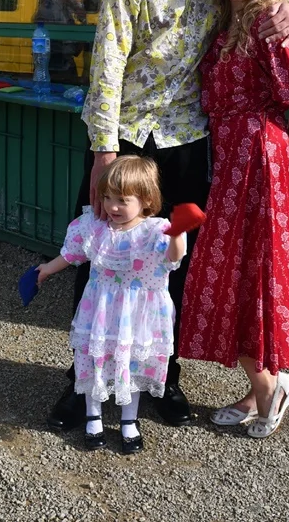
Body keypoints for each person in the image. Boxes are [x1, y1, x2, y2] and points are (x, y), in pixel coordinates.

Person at [48, 0, 289, 431]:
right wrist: (104, 151)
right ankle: (81, 382)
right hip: (126, 139)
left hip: (188, 142)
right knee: (100, 260)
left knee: (175, 267)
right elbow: (108, 64)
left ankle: (162, 377)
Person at [179, 0, 289, 439]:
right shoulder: (228, 21)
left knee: (247, 276)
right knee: (233, 274)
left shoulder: (267, 25)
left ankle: (269, 391)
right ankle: (266, 384)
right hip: (229, 164)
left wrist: (280, 147)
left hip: (258, 166)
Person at [36, 155, 199, 454]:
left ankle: (128, 420)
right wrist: (48, 268)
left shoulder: (156, 231)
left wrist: (178, 231)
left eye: (122, 200)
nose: (112, 207)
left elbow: (174, 258)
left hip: (136, 316)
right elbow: (72, 254)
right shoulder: (96, 228)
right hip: (100, 311)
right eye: (107, 197)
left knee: (131, 364)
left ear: (146, 199)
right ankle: (93, 416)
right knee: (93, 360)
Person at [33, 0, 86, 83]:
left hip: (67, 65)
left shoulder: (68, 8)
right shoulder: (49, 8)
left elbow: (76, 48)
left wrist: (83, 20)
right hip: (54, 68)